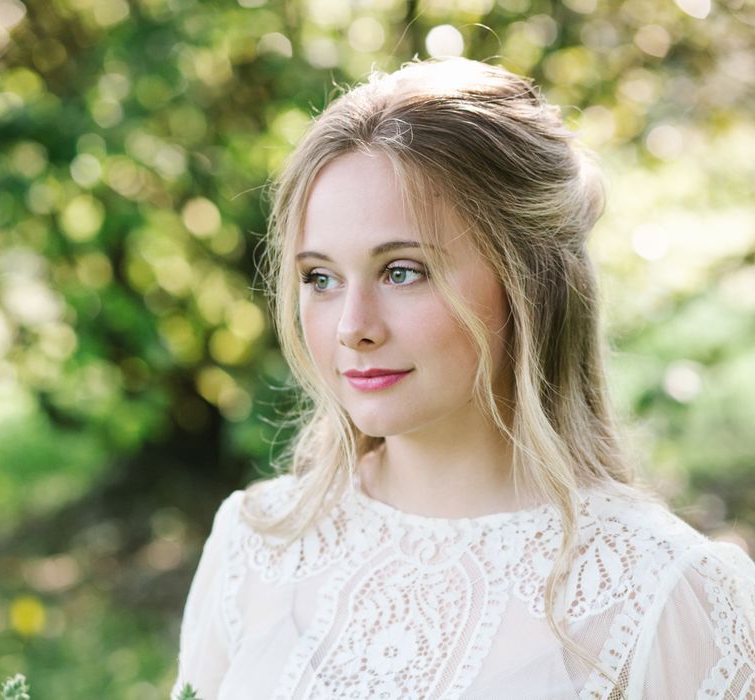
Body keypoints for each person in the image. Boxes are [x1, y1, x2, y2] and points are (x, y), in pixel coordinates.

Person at [172, 57, 755, 699]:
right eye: (321, 278)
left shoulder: (669, 595)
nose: (351, 327)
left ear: (527, 282)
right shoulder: (257, 544)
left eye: (402, 271)